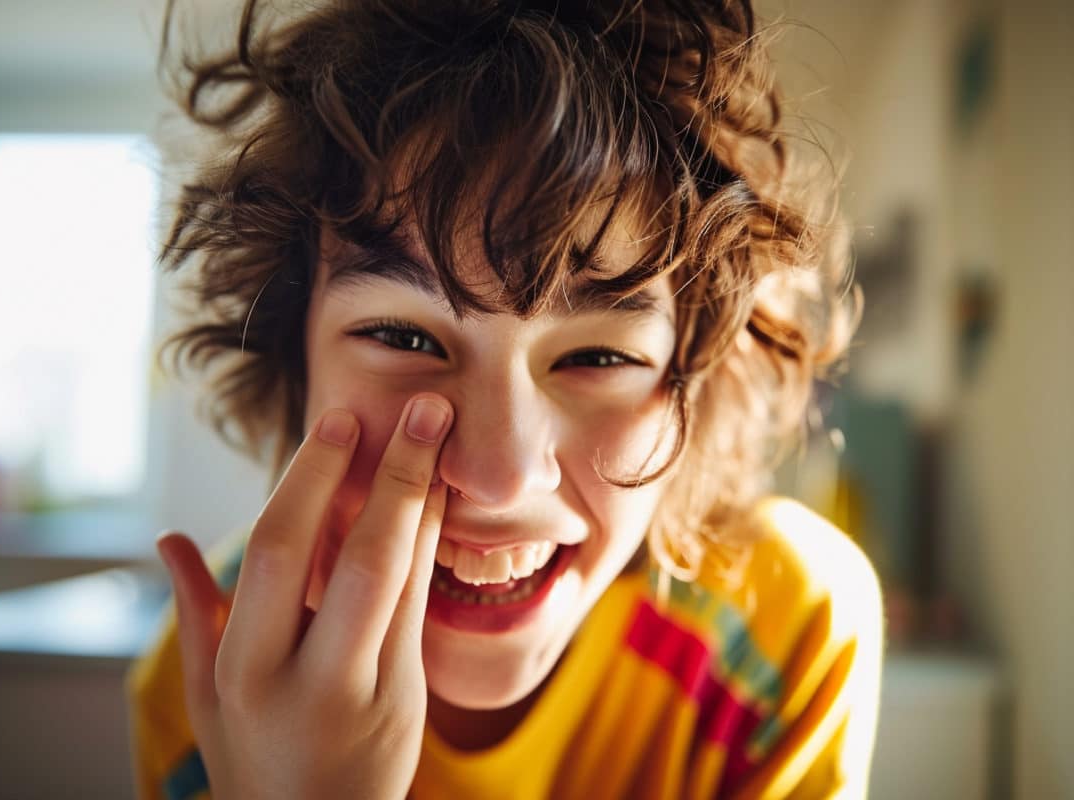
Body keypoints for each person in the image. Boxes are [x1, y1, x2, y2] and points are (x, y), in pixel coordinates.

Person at [127, 0, 884, 797]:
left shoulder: (778, 635)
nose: (499, 476)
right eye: (405, 339)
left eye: (598, 355)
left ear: (695, 378)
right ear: (292, 358)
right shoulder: (214, 682)